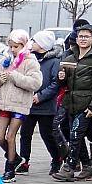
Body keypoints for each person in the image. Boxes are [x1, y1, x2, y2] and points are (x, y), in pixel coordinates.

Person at [54, 24, 92, 183]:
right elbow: (63, 83)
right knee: (76, 135)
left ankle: (69, 168)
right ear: (76, 39)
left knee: (76, 135)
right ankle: (87, 168)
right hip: (70, 103)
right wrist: (61, 78)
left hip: (86, 105)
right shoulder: (70, 59)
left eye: (86, 36)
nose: (83, 39)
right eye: (80, 36)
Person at [0, 28, 42, 183]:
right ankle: (16, 158)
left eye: (16, 46)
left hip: (20, 104)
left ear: (24, 45)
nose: (13, 49)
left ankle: (10, 169)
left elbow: (35, 83)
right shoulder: (5, 60)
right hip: (5, 103)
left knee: (10, 136)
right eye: (11, 46)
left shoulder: (30, 61)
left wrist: (15, 76)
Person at [22, 30, 64, 176]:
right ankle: (24, 161)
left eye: (35, 41)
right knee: (25, 133)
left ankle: (57, 158)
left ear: (42, 44)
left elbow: (55, 83)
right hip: (29, 104)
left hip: (45, 106)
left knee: (47, 134)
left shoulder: (54, 62)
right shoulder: (31, 58)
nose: (32, 43)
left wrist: (41, 96)